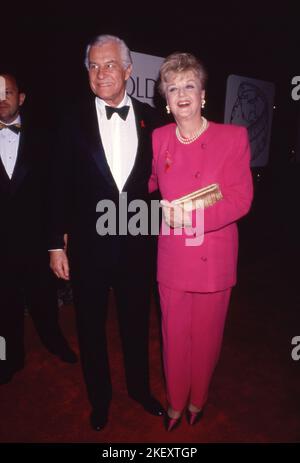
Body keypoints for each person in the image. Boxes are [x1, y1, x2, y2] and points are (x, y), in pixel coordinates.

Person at [49, 35, 164, 431]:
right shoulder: (70, 119)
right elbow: (57, 185)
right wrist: (54, 244)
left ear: (129, 70)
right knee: (89, 327)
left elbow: (166, 184)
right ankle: (100, 400)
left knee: (136, 322)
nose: (101, 74)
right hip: (88, 246)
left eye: (109, 64)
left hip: (137, 244)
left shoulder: (155, 119)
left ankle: (140, 390)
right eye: (94, 67)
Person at [149, 52, 253, 431]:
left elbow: (242, 199)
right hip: (173, 255)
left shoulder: (232, 137)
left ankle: (198, 399)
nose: (181, 94)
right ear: (165, 97)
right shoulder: (159, 138)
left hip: (214, 256)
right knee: (174, 338)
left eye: (189, 85)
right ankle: (176, 403)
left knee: (206, 338)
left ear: (203, 94)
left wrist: (192, 216)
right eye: (173, 87)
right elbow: (150, 186)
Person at [0, 73, 77, 385]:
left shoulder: (45, 137)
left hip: (36, 241)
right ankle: (7, 357)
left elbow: (56, 191)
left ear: (22, 97)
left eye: (8, 92)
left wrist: (56, 238)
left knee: (44, 299)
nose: (1, 98)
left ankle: (54, 340)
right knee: (3, 306)